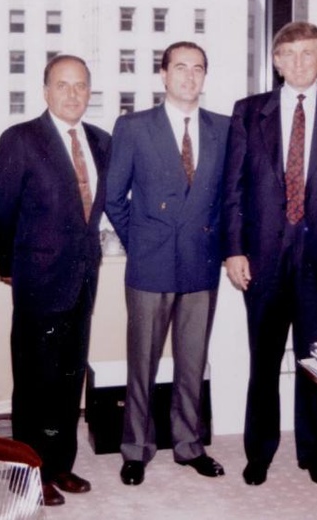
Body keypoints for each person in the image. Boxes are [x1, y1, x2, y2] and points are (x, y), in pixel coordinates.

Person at [222, 21, 317, 487]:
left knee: (315, 365)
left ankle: (314, 453)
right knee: (263, 362)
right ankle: (259, 452)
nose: (301, 62)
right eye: (291, 54)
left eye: (310, 54)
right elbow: (233, 188)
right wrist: (233, 251)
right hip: (263, 261)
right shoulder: (248, 112)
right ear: (277, 61)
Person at [0, 55, 110, 507]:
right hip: (38, 280)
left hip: (83, 281)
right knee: (35, 382)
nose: (72, 94)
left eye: (80, 86)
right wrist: (10, 267)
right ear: (45, 90)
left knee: (68, 380)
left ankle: (59, 464)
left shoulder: (101, 141)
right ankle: (27, 473)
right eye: (63, 84)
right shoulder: (20, 139)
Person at [105, 42, 230, 486]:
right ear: (163, 74)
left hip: (201, 264)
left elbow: (228, 201)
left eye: (198, 68)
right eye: (181, 67)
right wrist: (140, 243)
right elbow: (113, 197)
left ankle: (189, 445)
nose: (189, 76)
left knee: (192, 362)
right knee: (143, 362)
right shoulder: (134, 127)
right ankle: (136, 449)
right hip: (149, 265)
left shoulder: (224, 129)